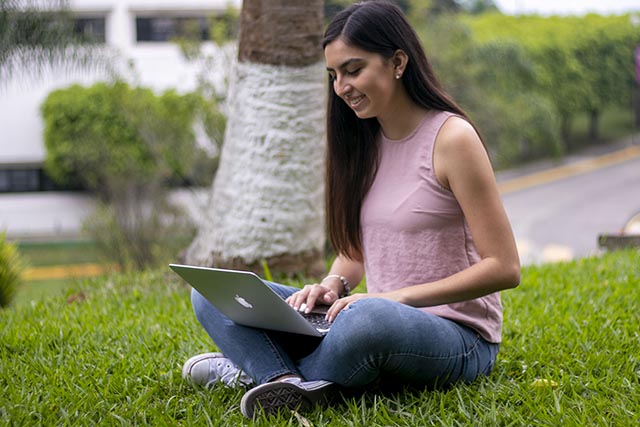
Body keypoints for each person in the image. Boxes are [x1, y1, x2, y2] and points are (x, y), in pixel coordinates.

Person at [182, 0, 520, 419]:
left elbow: (504, 267)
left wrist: (393, 299)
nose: (342, 87)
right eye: (334, 75)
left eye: (353, 69)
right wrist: (332, 285)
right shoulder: (362, 141)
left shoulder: (452, 139)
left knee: (367, 322)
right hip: (364, 313)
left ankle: (253, 370)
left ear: (398, 62)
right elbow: (362, 249)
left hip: (456, 336)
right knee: (212, 294)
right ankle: (285, 383)